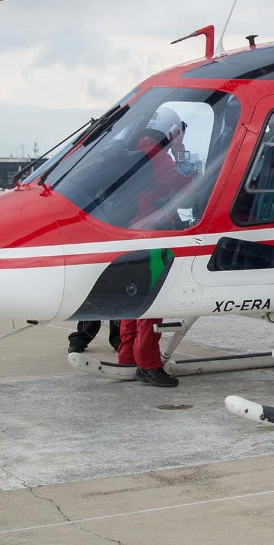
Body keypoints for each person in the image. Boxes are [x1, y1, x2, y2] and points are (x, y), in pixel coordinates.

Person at [118, 107, 193, 388]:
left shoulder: (133, 150)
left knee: (133, 298)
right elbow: (185, 185)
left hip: (130, 233)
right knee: (152, 302)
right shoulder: (157, 156)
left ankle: (127, 357)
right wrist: (181, 153)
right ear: (170, 131)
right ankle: (148, 365)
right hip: (154, 235)